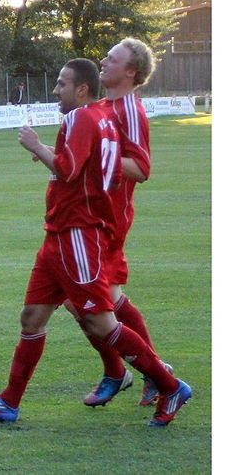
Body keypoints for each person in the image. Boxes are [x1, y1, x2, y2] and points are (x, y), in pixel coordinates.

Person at [0, 58, 191, 428]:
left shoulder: (82, 118)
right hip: (59, 234)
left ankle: (169, 384)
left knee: (101, 322)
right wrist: (55, 158)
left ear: (81, 89)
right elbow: (83, 167)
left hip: (76, 235)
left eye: (62, 85)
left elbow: (68, 169)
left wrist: (37, 146)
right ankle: (9, 401)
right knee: (32, 317)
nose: (56, 91)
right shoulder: (101, 116)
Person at [66, 38, 171, 408]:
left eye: (112, 59)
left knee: (88, 301)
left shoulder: (130, 110)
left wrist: (94, 157)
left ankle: (143, 372)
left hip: (107, 220)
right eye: (105, 55)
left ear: (131, 71)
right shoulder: (106, 105)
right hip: (91, 215)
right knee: (87, 300)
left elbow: (141, 168)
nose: (103, 61)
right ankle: (139, 371)